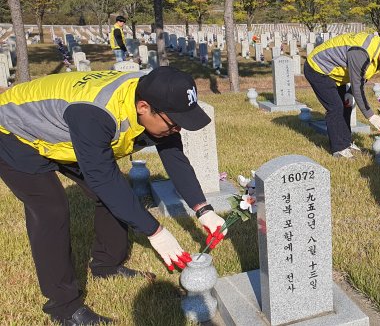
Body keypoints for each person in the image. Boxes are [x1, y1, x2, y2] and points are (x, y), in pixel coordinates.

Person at [0, 67, 228, 325]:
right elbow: (102, 179)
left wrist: (203, 209)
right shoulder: (96, 113)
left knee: (117, 192)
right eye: (173, 122)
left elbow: (174, 157)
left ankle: (106, 265)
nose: (177, 129)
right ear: (143, 107)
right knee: (50, 209)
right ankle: (64, 307)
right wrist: (156, 232)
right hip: (13, 131)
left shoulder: (152, 97)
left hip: (66, 132)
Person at [305, 32, 380, 158]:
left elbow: (363, 75)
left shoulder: (376, 53)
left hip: (335, 74)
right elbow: (357, 86)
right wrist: (370, 116)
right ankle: (338, 149)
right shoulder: (361, 52)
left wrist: (349, 93)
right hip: (318, 68)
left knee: (346, 104)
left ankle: (346, 142)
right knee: (335, 107)